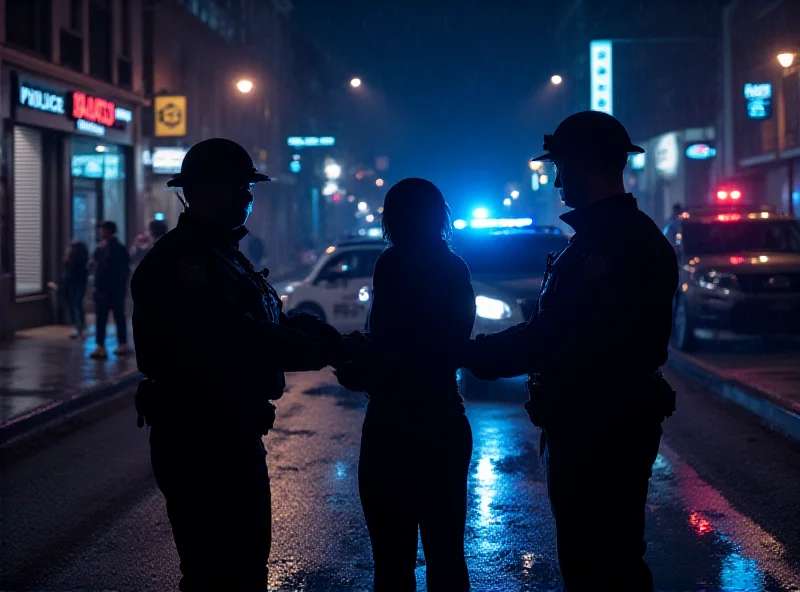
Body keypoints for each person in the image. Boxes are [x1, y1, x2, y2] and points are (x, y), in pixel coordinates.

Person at [464, 111, 678, 591]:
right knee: (598, 559)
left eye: (560, 166)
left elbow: (558, 336)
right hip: (594, 424)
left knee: (600, 565)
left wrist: (472, 353)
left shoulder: (613, 247)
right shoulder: (605, 241)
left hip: (600, 429)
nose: (557, 178)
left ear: (584, 166)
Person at [131, 138, 357, 592]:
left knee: (244, 564)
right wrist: (329, 354)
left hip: (228, 434)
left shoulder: (223, 255)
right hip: (202, 439)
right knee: (219, 573)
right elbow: (241, 336)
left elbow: (267, 318)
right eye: (240, 189)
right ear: (208, 193)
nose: (248, 199)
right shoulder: (186, 264)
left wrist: (324, 335)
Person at [337, 178, 476, 591]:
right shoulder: (453, 267)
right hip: (443, 419)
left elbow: (389, 346)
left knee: (392, 560)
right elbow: (452, 342)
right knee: (446, 553)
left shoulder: (391, 264)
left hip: (391, 426)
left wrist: (356, 363)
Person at [90, 220, 131, 359]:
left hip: (114, 290)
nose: (100, 232)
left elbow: (123, 271)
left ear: (109, 231)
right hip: (102, 290)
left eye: (102, 229)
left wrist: (120, 287)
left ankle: (122, 344)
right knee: (101, 318)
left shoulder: (118, 249)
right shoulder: (100, 249)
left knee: (118, 317)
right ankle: (101, 345)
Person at [61, 240, 89, 338]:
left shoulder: (72, 262)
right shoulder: (74, 262)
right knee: (76, 304)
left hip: (74, 283)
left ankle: (78, 327)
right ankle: (79, 327)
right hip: (72, 283)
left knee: (76, 304)